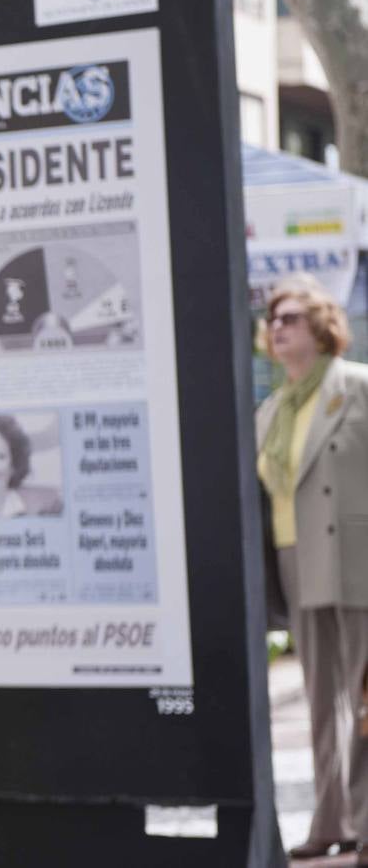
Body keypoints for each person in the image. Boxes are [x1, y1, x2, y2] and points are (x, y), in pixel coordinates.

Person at [256, 273, 368, 865]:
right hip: (297, 563)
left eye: (291, 317)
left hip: (355, 561)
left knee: (365, 698)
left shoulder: (356, 386)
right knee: (322, 701)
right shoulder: (271, 410)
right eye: (274, 319)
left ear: (322, 328)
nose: (277, 327)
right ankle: (330, 822)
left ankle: (366, 822)